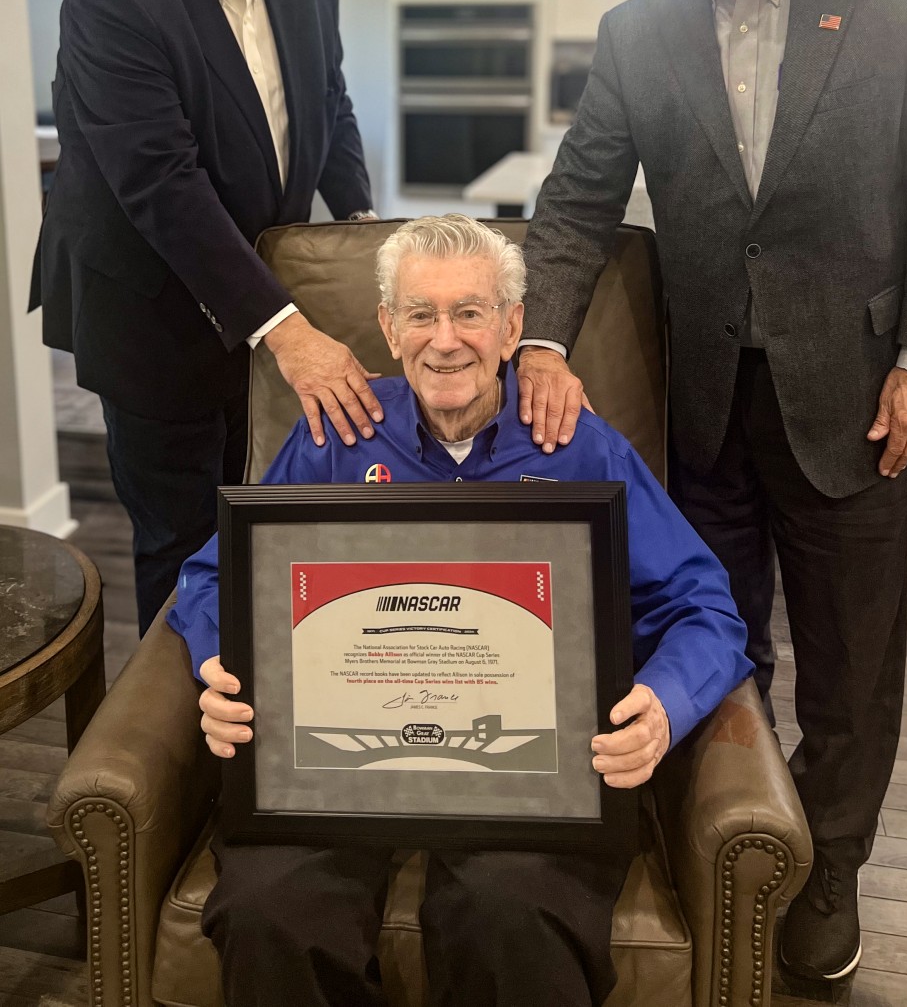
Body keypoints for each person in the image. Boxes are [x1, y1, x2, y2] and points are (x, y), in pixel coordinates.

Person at [516, 0, 907, 983]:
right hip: (708, 409)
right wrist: (537, 336)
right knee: (719, 638)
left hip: (858, 399)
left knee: (849, 660)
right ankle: (744, 833)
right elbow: (574, 205)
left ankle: (829, 863)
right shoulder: (637, 32)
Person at [167, 213, 752, 1007]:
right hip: (337, 772)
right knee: (271, 912)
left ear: (513, 327)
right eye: (421, 313)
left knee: (511, 916)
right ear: (387, 326)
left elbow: (706, 607)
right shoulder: (335, 436)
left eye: (470, 312)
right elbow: (210, 577)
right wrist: (217, 668)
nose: (445, 340)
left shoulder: (581, 447)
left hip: (527, 781)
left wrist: (662, 705)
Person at [29, 0, 386, 636]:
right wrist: (288, 328)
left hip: (257, 299)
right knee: (184, 540)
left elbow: (327, 106)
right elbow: (161, 179)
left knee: (255, 510)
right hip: (151, 312)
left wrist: (371, 231)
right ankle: (182, 742)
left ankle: (248, 685)